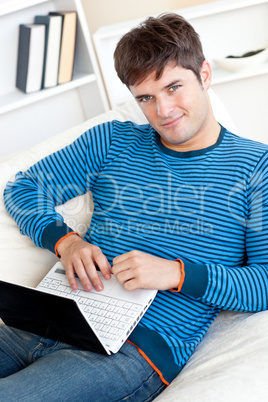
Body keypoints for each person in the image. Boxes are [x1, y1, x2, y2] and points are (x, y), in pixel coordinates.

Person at [1, 12, 268, 401]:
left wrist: (175, 274)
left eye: (174, 87)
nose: (163, 110)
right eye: (146, 97)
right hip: (51, 315)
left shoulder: (257, 167)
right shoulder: (113, 141)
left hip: (134, 349)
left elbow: (264, 281)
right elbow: (24, 189)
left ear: (205, 75)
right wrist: (67, 243)